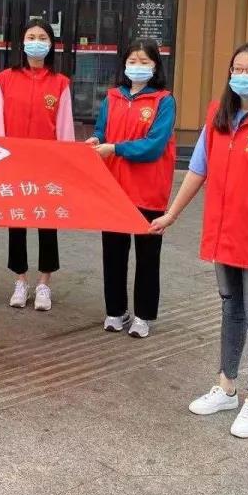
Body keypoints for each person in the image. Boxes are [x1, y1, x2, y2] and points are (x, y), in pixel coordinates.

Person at [150, 40, 248, 439]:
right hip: (226, 234)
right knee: (231, 312)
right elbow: (197, 171)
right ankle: (226, 387)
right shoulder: (217, 119)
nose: (244, 76)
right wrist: (171, 213)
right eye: (239, 68)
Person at [88, 39, 176, 339]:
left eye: (144, 61)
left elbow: (154, 146)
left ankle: (143, 315)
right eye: (132, 61)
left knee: (147, 256)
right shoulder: (112, 97)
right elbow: (101, 131)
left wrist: (115, 148)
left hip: (149, 191)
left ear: (155, 66)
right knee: (113, 253)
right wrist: (97, 141)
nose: (137, 67)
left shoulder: (164, 101)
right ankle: (115, 311)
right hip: (113, 189)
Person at [0, 20, 75, 311]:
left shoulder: (60, 83)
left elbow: (65, 129)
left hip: (47, 167)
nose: (36, 41)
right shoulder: (6, 79)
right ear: (22, 43)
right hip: (14, 164)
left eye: (42, 37)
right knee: (17, 222)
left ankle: (44, 283)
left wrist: (65, 164)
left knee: (47, 223)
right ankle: (20, 280)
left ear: (50, 45)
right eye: (31, 36)